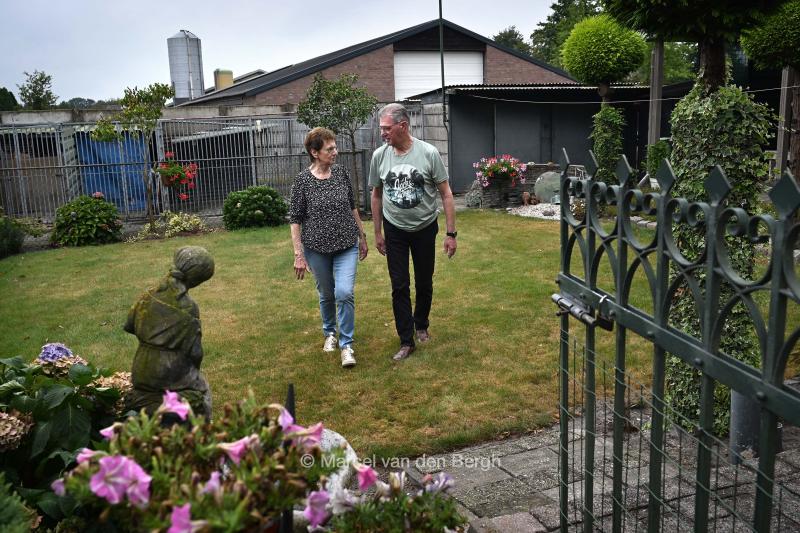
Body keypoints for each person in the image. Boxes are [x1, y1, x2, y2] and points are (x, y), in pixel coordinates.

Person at [369, 103, 457, 361]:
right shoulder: (379, 156)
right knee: (399, 285)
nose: (383, 133)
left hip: (424, 227)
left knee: (424, 281)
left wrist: (451, 234)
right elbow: (376, 195)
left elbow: (446, 194)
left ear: (403, 126)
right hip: (394, 229)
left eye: (387, 128)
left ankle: (421, 324)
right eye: (381, 128)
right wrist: (377, 233)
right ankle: (406, 340)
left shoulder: (428, 153)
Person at [289, 127, 368, 368]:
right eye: (330, 149)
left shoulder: (342, 173)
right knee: (326, 293)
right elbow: (295, 219)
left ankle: (347, 345)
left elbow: (352, 206)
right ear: (315, 153)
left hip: (346, 244)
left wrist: (362, 236)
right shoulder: (302, 181)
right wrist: (299, 254)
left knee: (344, 292)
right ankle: (330, 332)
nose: (335, 152)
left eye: (335, 147)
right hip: (316, 249)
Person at [125, 246, 215, 420]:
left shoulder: (148, 295)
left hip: (141, 368)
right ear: (197, 280)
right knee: (201, 394)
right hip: (171, 372)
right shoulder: (188, 308)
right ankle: (197, 426)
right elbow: (195, 352)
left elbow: (130, 325)